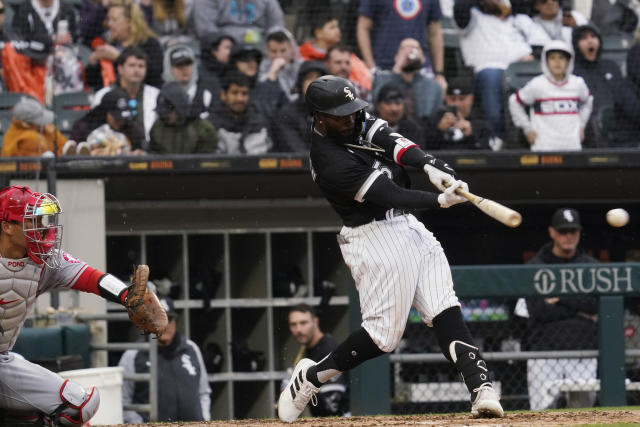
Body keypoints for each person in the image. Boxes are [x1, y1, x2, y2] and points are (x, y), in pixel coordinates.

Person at [277, 75, 504, 422]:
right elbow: (389, 194)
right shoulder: (328, 160)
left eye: (352, 111)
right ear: (320, 117)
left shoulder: (351, 123)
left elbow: (393, 141)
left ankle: (481, 387)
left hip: (408, 227)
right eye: (341, 115)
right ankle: (311, 377)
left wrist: (429, 164)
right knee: (383, 338)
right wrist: (440, 200)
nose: (351, 118)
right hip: (373, 237)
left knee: (444, 307)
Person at [0, 184, 167, 425]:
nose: (41, 228)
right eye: (31, 221)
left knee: (79, 406)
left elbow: (90, 277)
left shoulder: (46, 260)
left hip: (3, 361)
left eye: (40, 220)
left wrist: (126, 296)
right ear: (6, 226)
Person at [523, 208, 598, 410]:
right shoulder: (535, 266)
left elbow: (596, 306)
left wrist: (559, 299)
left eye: (573, 231)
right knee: (541, 414)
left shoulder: (591, 266)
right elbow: (537, 312)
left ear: (579, 233)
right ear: (552, 232)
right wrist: (579, 309)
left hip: (583, 351)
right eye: (563, 231)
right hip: (544, 353)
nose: (568, 236)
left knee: (583, 415)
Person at [453, 0, 550, 137]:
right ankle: (496, 136)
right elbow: (460, 8)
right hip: (489, 70)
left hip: (523, 70)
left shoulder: (519, 19)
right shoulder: (473, 17)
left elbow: (546, 46)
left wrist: (534, 55)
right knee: (492, 77)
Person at [119, 297, 211, 422]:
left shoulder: (191, 349)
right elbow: (123, 402)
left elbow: (203, 392)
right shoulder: (133, 355)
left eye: (169, 319)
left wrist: (204, 418)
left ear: (174, 322)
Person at [508, 40, 593, 151]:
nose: (557, 62)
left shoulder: (577, 83)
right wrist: (527, 129)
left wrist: (581, 125)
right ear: (546, 61)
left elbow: (588, 100)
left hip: (572, 147)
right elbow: (514, 101)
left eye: (561, 58)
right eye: (552, 58)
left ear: (569, 61)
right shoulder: (537, 84)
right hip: (543, 147)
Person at [572, 24, 640, 147]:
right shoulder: (572, 73)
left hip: (619, 133)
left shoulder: (611, 66)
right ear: (576, 45)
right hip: (587, 132)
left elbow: (627, 99)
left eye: (593, 36)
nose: (590, 41)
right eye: (584, 38)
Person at [356, 0, 447, 92]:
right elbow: (363, 27)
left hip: (421, 70)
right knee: (387, 105)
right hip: (383, 69)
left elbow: (435, 34)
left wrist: (439, 73)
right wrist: (371, 68)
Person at [286, 304, 349, 417]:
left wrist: (298, 390)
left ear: (315, 322)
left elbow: (332, 404)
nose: (298, 329)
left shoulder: (328, 350)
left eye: (303, 323)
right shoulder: (308, 350)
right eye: (293, 324)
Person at [85, 0, 163, 90]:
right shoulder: (109, 44)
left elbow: (154, 76)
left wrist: (119, 58)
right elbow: (92, 82)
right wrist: (92, 63)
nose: (109, 24)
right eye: (108, 19)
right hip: (111, 97)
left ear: (129, 22)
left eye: (114, 20)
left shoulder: (150, 43)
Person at [91, 47, 160, 146]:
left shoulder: (156, 94)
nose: (136, 70)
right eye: (132, 65)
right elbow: (97, 128)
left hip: (146, 151)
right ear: (120, 69)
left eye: (141, 66)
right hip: (112, 149)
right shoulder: (103, 95)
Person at [299, 12, 371, 95]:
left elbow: (365, 82)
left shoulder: (350, 57)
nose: (338, 31)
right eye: (332, 27)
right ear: (318, 33)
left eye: (337, 27)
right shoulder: (302, 55)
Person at [372, 38, 444, 121]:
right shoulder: (382, 79)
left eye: (415, 49)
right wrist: (398, 68)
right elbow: (377, 101)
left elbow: (437, 116)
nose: (409, 53)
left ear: (423, 57)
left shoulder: (433, 86)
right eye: (404, 49)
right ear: (396, 56)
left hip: (424, 130)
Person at [423, 76, 499, 150]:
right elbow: (422, 149)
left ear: (471, 99)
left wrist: (472, 134)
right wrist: (439, 131)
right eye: (452, 99)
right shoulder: (434, 121)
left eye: (462, 99)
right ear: (446, 98)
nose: (457, 104)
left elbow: (491, 153)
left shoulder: (482, 125)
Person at [271, 61, 328, 152]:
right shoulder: (286, 114)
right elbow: (295, 150)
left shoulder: (336, 113)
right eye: (309, 78)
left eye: (319, 78)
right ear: (301, 84)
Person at [210, 70, 272, 154]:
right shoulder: (211, 123)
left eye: (244, 94)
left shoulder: (259, 123)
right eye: (234, 93)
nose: (240, 99)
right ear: (223, 95)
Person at [148, 82, 218, 154]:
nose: (164, 116)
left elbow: (206, 160)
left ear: (179, 108)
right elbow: (154, 155)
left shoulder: (203, 130)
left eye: (168, 112)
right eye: (161, 113)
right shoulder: (157, 128)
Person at [70, 87, 145, 153]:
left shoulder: (131, 130)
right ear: (106, 112)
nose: (121, 121)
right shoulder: (84, 128)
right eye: (117, 118)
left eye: (123, 118)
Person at [192, 0, 284, 44]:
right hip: (221, 44)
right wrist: (222, 42)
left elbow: (277, 27)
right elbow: (206, 30)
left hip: (259, 44)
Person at [1, 97, 67, 157]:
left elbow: (64, 145)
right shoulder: (26, 138)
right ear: (26, 124)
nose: (44, 124)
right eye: (39, 121)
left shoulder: (47, 130)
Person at [162, 44, 213, 119]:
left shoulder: (206, 96)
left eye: (188, 64)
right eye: (179, 65)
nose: (184, 69)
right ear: (169, 68)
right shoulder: (160, 96)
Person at [257, 28, 302, 103]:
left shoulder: (300, 67)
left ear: (291, 49)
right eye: (273, 51)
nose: (278, 56)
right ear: (267, 51)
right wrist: (272, 72)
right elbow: (261, 96)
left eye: (283, 51)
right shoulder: (261, 68)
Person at [198, 32, 236, 102]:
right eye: (227, 48)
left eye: (233, 48)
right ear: (214, 51)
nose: (232, 51)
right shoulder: (200, 76)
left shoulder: (234, 73)